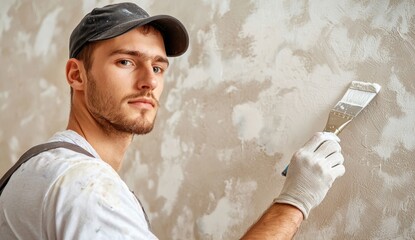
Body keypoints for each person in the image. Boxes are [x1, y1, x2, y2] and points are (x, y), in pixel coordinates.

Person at [0, 2, 345, 239]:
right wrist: (296, 200)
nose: (148, 81)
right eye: (125, 62)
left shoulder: (43, 165)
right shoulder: (85, 188)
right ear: (76, 74)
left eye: (158, 66)